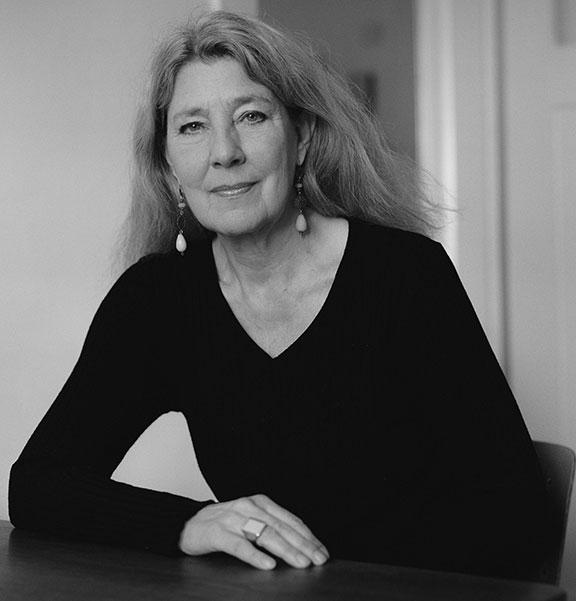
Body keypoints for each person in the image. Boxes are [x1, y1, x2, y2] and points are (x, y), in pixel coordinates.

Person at [9, 10, 548, 579]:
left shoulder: (405, 275)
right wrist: (190, 523)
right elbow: (41, 484)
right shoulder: (156, 301)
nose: (225, 152)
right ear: (168, 169)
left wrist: (342, 574)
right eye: (192, 126)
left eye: (252, 116)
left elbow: (514, 512)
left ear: (302, 140)